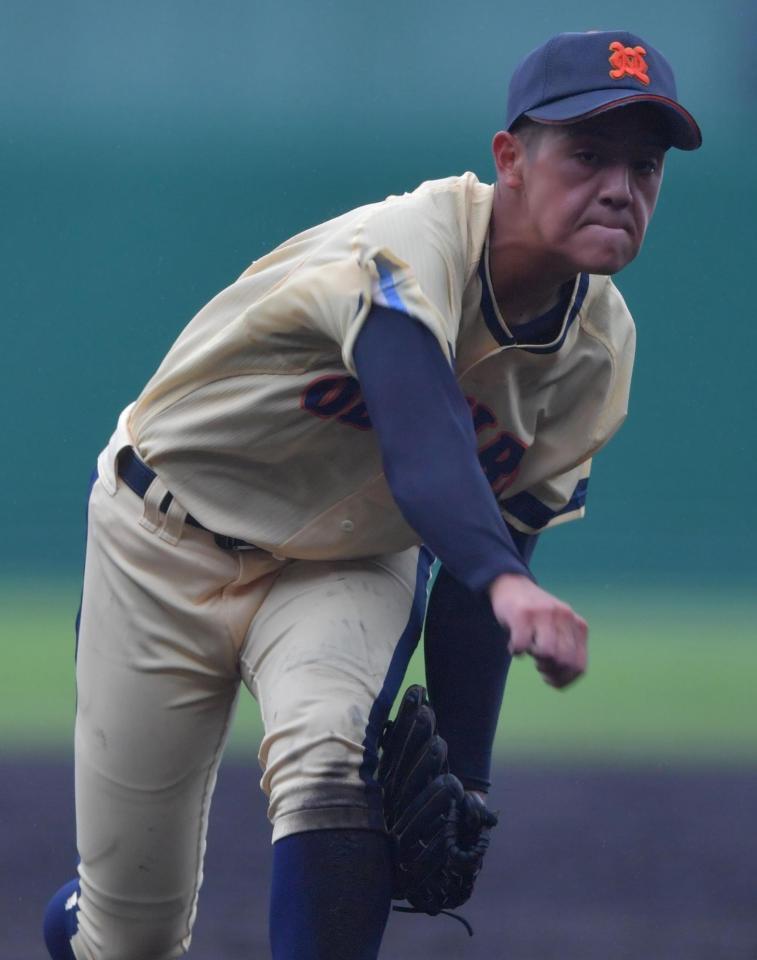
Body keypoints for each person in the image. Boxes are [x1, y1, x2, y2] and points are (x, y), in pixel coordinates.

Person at [43, 29, 700, 960]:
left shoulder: (598, 351)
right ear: (510, 160)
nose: (619, 187)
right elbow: (423, 437)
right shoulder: (408, 241)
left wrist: (467, 776)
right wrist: (505, 580)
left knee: (330, 762)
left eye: (644, 166)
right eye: (587, 154)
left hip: (349, 562)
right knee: (129, 936)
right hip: (161, 537)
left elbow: (485, 576)